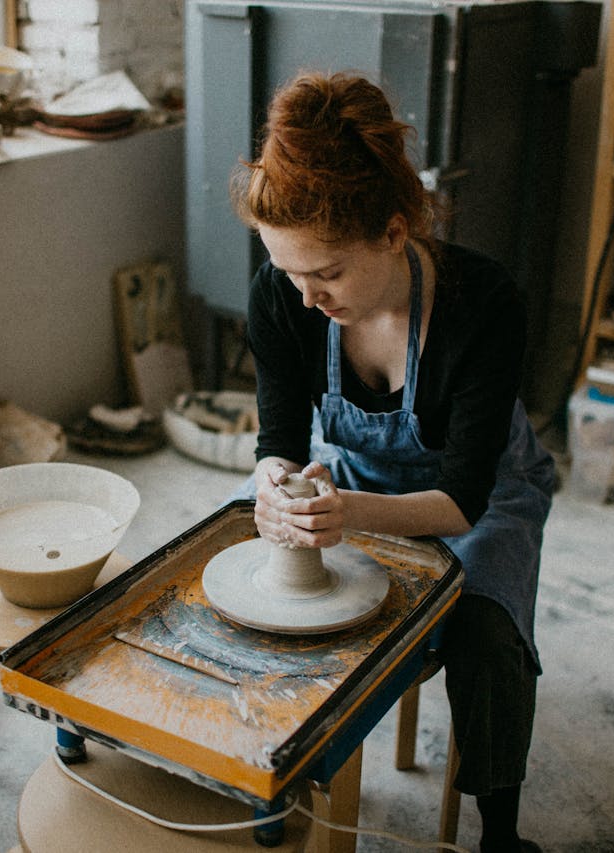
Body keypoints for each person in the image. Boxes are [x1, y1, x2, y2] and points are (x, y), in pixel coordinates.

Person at [229, 71, 556, 853]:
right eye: (288, 270)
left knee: (483, 632)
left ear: (395, 230)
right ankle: (260, 768)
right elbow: (280, 437)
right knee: (251, 584)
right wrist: (275, 488)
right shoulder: (282, 298)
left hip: (482, 494)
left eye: (328, 273)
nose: (306, 297)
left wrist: (342, 517)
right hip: (357, 477)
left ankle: (500, 834)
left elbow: (462, 501)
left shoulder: (485, 304)